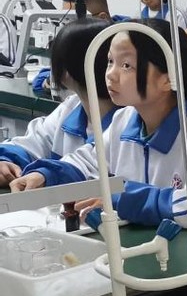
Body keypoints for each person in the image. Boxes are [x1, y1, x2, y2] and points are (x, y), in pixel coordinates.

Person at [10, 19, 187, 239]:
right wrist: (45, 175)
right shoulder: (125, 120)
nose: (111, 75)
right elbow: (88, 162)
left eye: (126, 65)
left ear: (167, 78)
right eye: (110, 62)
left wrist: (125, 199)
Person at [0, 19, 116, 185]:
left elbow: (87, 165)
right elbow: (34, 142)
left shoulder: (124, 121)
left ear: (64, 71)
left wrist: (46, 175)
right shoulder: (71, 109)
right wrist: (6, 160)